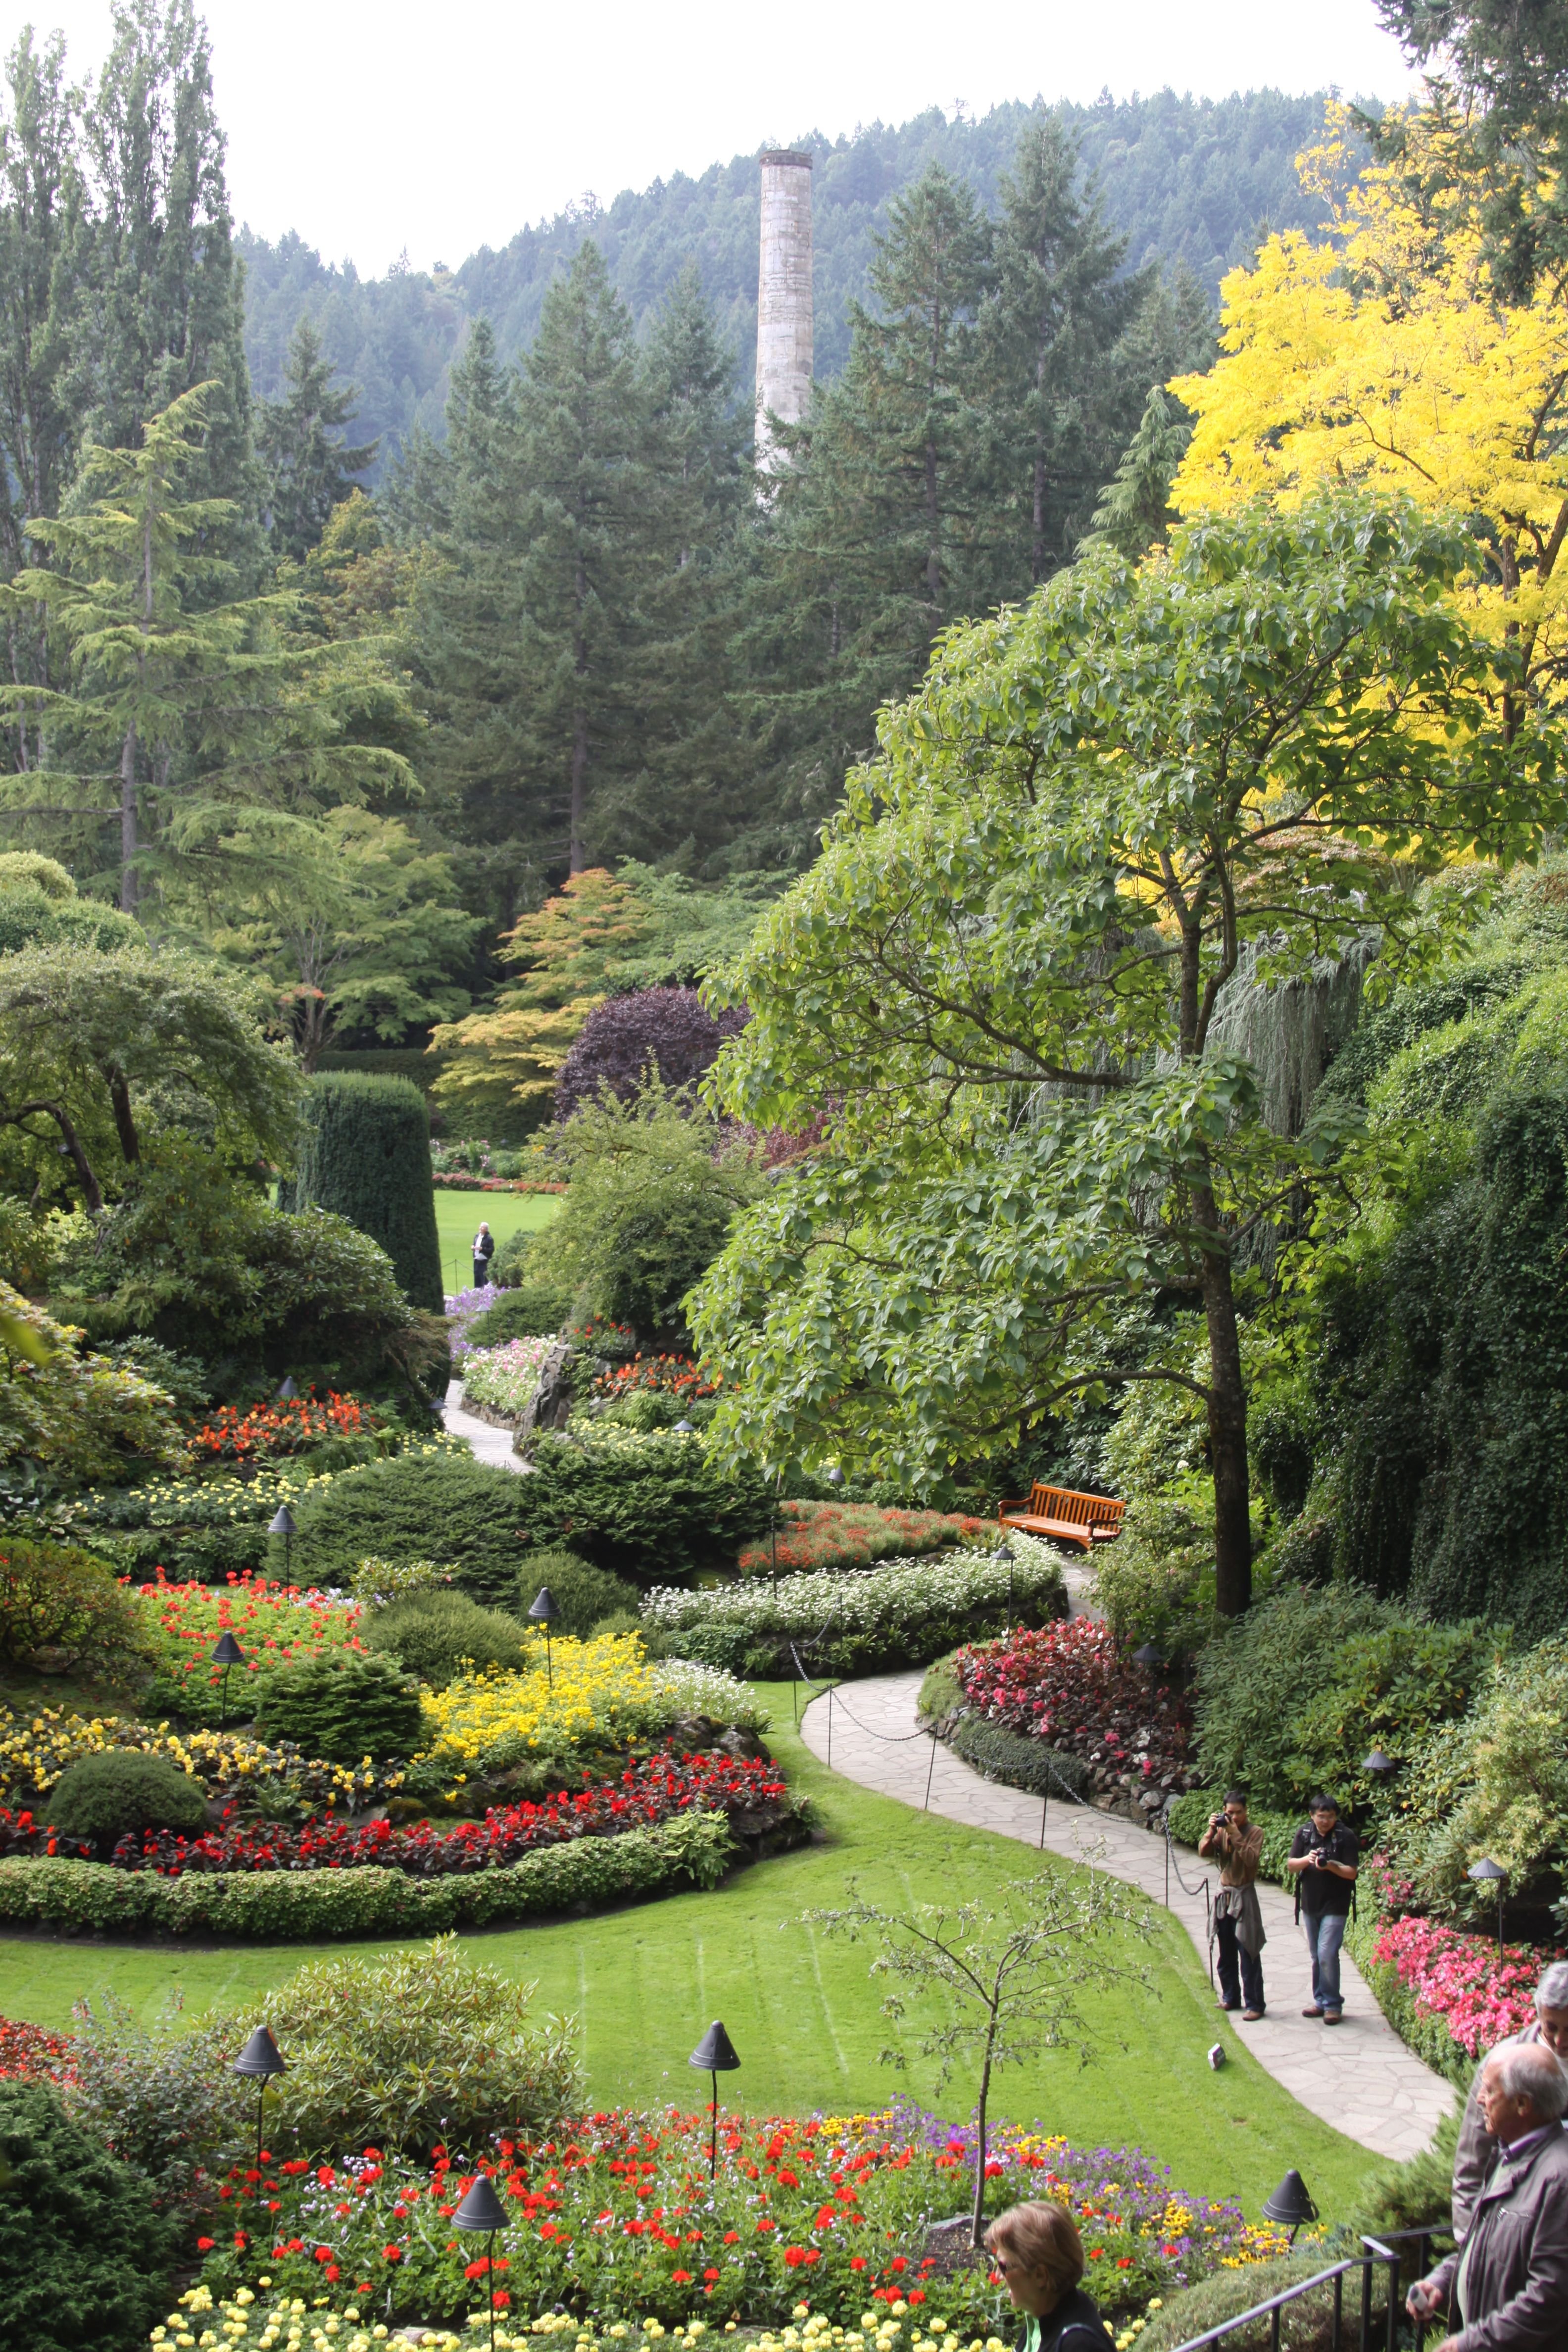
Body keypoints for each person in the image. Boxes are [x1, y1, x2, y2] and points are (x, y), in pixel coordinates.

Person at [1408, 2042, 1568, 2352]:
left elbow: (1549, 2298)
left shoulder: (1559, 2181)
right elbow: (1489, 2246)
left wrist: (1471, 2342)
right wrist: (1442, 2280)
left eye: (1490, 2090)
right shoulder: (1510, 2155)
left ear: (1522, 2105)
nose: (1479, 2098)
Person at [1453, 1962, 1568, 2239]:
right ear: (1538, 2012)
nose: (1560, 2040)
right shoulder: (1503, 2062)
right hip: (1512, 2232)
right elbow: (1470, 2165)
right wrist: (1470, 2246)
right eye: (1551, 2026)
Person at [986, 2200, 1114, 2352]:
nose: (999, 2276)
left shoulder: (1080, 2345)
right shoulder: (1044, 2318)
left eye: (1003, 2266)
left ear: (1040, 2275)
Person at [1285, 1793, 1359, 2025]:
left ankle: (1333, 2005)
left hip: (1336, 1905)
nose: (1325, 1821)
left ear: (1336, 1816)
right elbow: (1291, 1865)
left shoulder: (1345, 1837)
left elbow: (1352, 1873)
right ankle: (1321, 2001)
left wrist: (1331, 1866)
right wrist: (1308, 1859)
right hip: (1311, 1904)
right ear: (1312, 1816)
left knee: (1327, 1953)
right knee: (1317, 1956)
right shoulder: (1305, 1834)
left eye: (1330, 1816)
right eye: (1321, 1816)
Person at [1198, 1787, 1267, 2020]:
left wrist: (1234, 1832)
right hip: (1224, 1896)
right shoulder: (1222, 1830)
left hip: (1244, 1896)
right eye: (1230, 1812)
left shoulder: (1255, 1832)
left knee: (1248, 1950)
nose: (1234, 1817)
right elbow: (1203, 1852)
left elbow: (1250, 1859)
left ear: (1246, 1811)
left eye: (1238, 1812)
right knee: (1226, 1951)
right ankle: (1230, 1997)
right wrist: (1211, 1831)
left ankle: (1255, 2004)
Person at [472, 1221, 495, 1292]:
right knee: (477, 1275)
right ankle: (477, 1291)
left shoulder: (489, 1238)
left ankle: (485, 1292)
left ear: (486, 1229)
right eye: (480, 1226)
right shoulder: (477, 1236)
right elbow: (474, 1244)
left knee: (484, 1277)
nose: (480, 1228)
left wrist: (482, 1249)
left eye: (482, 1227)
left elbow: (491, 1249)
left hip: (484, 1261)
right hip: (476, 1259)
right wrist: (473, 1247)